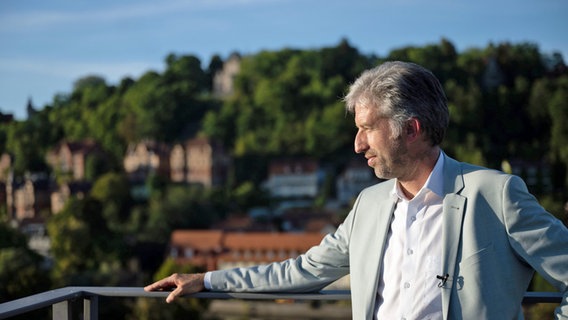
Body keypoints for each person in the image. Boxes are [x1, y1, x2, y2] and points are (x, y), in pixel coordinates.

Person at [145, 61, 568, 319]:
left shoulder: (495, 194)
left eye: (367, 129)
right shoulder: (369, 205)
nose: (357, 145)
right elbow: (301, 271)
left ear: (411, 129)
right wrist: (209, 280)